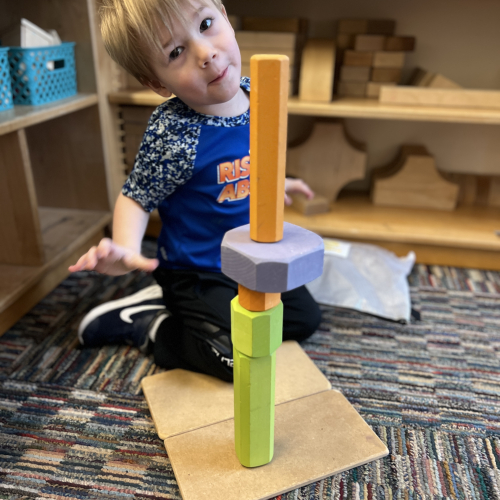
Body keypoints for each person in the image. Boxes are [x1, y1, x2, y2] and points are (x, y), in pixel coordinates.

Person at [69, 0, 322, 382]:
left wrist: (275, 182)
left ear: (223, 13)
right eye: (176, 51)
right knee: (235, 361)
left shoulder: (262, 97)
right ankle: (149, 324)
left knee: (304, 320)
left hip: (253, 256)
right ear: (157, 83)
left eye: (206, 24)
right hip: (198, 269)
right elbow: (137, 196)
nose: (206, 53)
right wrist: (126, 247)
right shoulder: (174, 133)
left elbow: (252, 161)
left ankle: (184, 312)